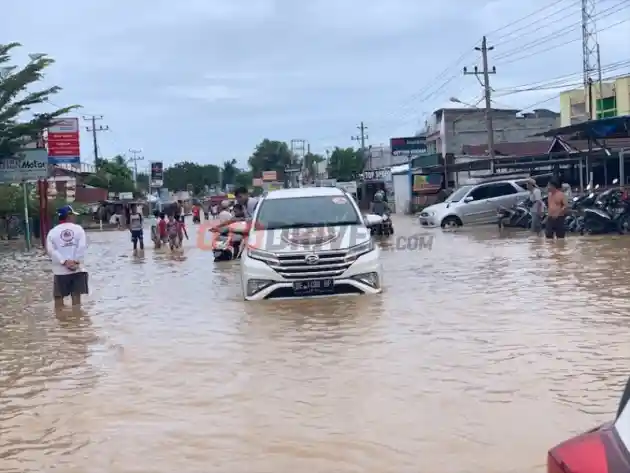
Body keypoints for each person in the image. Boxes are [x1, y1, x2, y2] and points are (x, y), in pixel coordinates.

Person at [46, 205, 88, 308]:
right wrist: (75, 261)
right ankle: (77, 321)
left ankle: (61, 322)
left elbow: (51, 250)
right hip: (77, 269)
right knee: (76, 300)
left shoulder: (52, 232)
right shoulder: (78, 229)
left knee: (58, 300)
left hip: (60, 272)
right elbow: (82, 247)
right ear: (69, 216)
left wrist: (64, 261)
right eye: (73, 215)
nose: (74, 217)